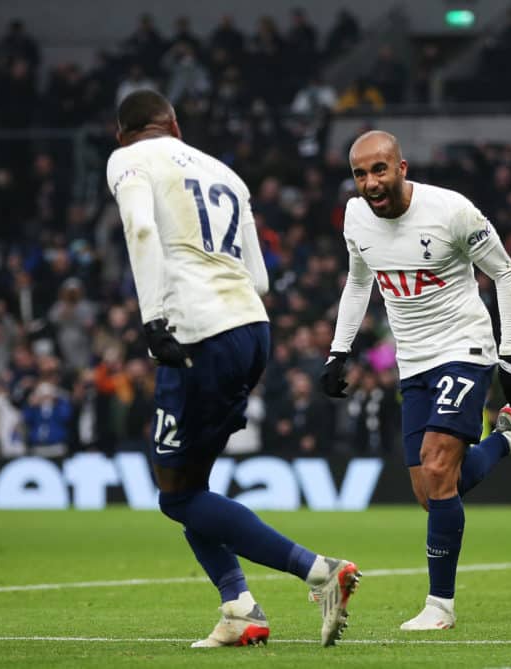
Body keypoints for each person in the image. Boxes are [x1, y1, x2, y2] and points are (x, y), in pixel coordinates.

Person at [106, 89, 360, 649]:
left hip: (198, 334)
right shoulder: (225, 171)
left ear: (120, 133)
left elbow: (142, 231)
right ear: (174, 123)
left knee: (176, 496)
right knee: (194, 489)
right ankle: (240, 608)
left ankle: (319, 572)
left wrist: (153, 321)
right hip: (252, 328)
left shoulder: (128, 160)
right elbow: (262, 278)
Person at [321, 130, 511, 630]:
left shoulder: (452, 212)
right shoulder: (356, 217)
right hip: (414, 360)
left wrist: (510, 352)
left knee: (437, 463)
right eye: (360, 173)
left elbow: (506, 274)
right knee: (431, 488)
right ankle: (507, 438)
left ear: (401, 167)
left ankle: (440, 606)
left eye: (379, 170)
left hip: (465, 348)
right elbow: (360, 280)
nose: (370, 183)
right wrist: (340, 350)